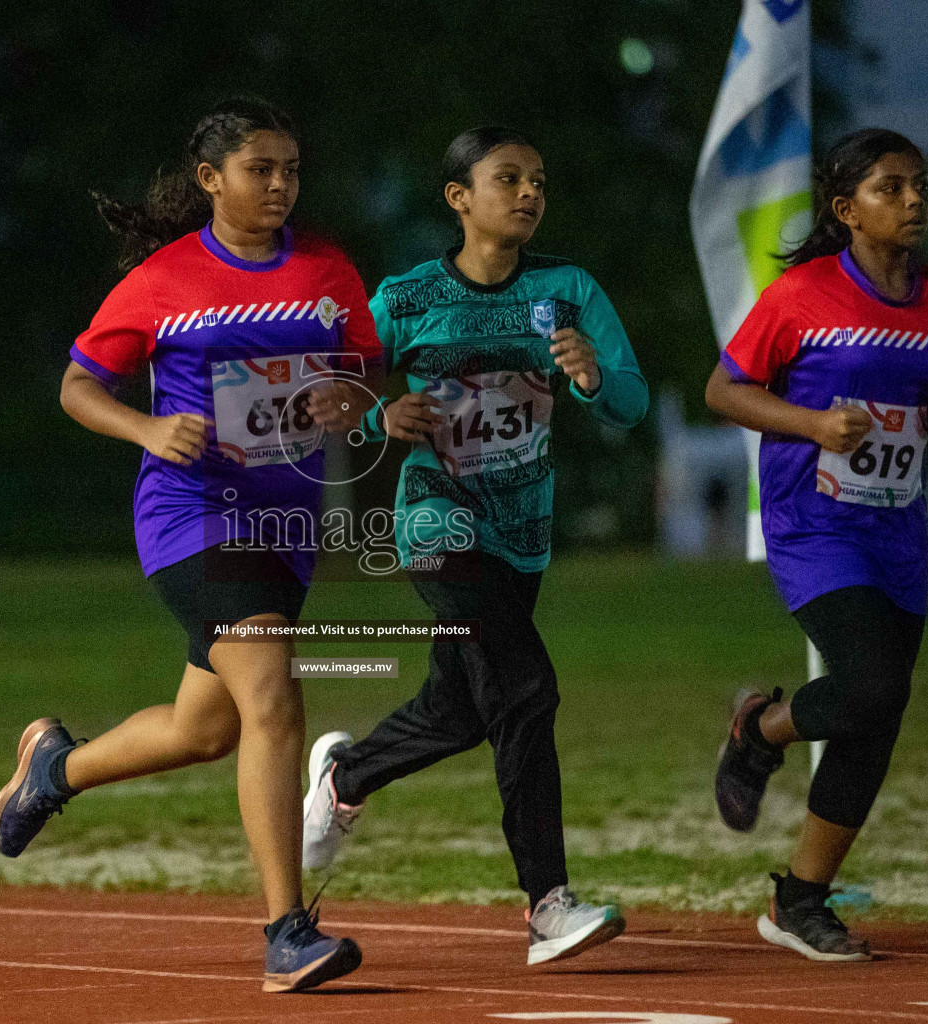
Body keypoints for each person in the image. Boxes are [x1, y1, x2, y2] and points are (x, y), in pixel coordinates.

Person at [0, 98, 382, 993]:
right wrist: (146, 429)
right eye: (260, 170)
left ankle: (56, 768)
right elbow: (78, 386)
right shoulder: (164, 279)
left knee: (207, 730)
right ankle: (288, 932)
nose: (281, 185)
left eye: (291, 169)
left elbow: (363, 373)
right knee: (275, 697)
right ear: (211, 179)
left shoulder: (327, 269)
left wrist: (346, 399)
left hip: (287, 522)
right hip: (192, 512)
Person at [300, 126, 649, 966]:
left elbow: (632, 402)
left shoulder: (569, 292)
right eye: (508, 178)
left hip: (521, 532)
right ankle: (549, 906)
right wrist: (384, 415)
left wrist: (594, 376)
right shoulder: (409, 298)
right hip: (436, 518)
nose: (529, 193)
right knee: (526, 688)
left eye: (538, 180)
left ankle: (345, 780)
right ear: (459, 197)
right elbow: (326, 394)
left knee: (460, 710)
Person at [705, 128, 928, 961]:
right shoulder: (800, 295)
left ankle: (799, 901)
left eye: (920, 187)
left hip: (898, 531)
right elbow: (722, 390)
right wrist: (809, 423)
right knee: (871, 686)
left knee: (880, 710)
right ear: (847, 209)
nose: (914, 201)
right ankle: (758, 730)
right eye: (892, 188)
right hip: (814, 523)